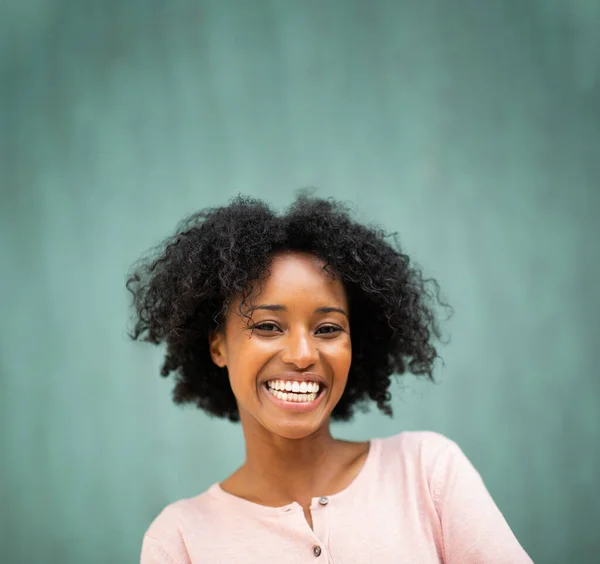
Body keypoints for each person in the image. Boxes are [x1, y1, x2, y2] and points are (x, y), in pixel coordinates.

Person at [128, 194, 532, 563]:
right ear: (218, 346)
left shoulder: (427, 473)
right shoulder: (180, 539)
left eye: (327, 329)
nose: (303, 355)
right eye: (268, 326)